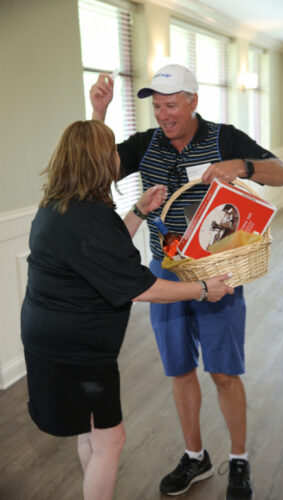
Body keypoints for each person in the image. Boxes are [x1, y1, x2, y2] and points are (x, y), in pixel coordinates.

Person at [90, 64, 283, 499]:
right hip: (165, 273)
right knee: (179, 371)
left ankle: (238, 460)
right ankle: (194, 456)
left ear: (193, 102)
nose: (163, 115)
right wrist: (99, 112)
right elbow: (92, 169)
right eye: (157, 106)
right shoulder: (145, 145)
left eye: (171, 105)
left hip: (218, 276)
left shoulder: (224, 136)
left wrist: (239, 165)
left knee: (222, 372)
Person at [20, 119, 234, 500]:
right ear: (98, 160)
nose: (116, 159)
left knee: (89, 430)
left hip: (49, 339)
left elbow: (101, 252)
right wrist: (203, 289)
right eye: (111, 153)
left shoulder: (59, 207)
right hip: (79, 351)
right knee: (110, 439)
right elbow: (143, 286)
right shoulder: (88, 218)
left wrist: (137, 209)